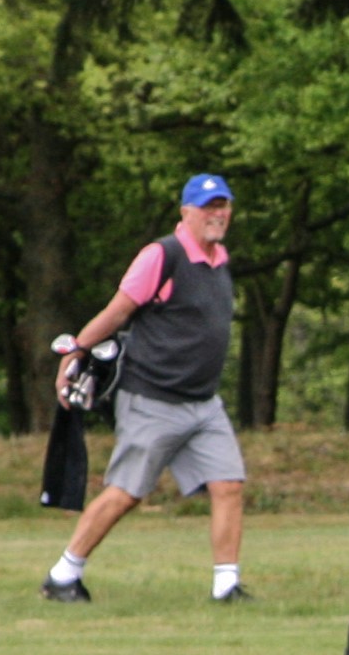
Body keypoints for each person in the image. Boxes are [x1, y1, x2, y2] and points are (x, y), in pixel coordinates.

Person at [40, 173, 252, 604]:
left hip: (203, 403)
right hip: (153, 399)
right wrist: (76, 351)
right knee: (125, 493)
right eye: (209, 207)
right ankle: (63, 574)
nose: (218, 215)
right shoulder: (162, 255)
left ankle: (226, 587)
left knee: (229, 484)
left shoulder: (219, 259)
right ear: (186, 212)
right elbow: (118, 311)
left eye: (223, 206)